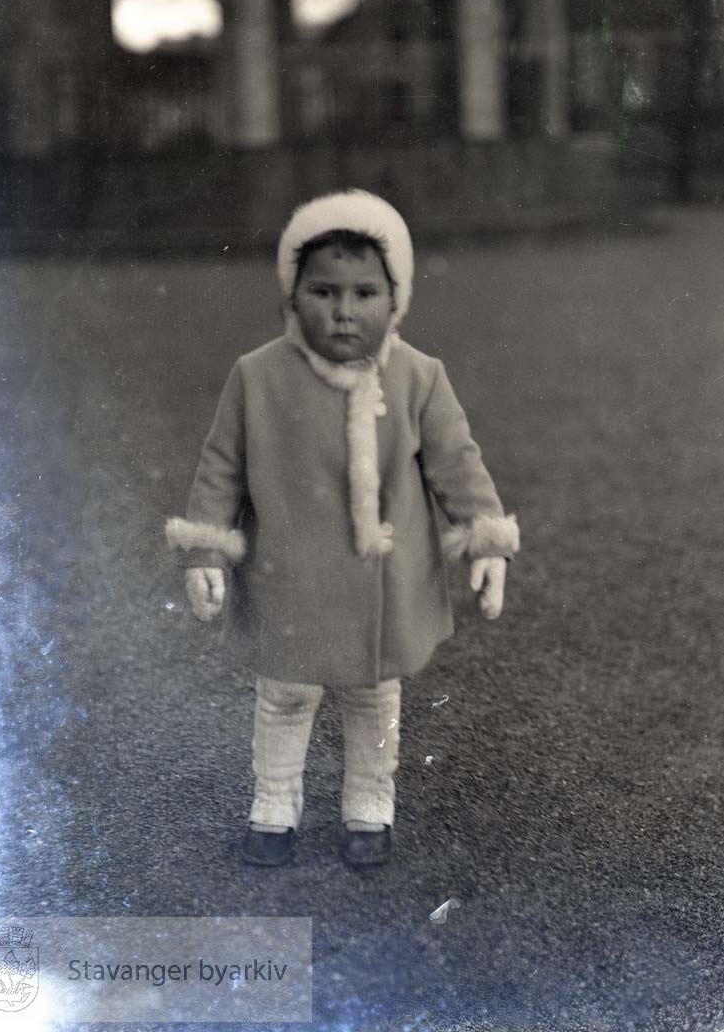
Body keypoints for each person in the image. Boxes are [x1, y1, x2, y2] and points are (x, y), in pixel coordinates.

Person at [166, 190, 519, 869]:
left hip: (382, 581)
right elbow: (221, 468)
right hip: (290, 572)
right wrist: (205, 550)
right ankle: (274, 805)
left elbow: (457, 463)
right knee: (286, 693)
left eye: (365, 293)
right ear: (291, 298)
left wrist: (485, 536)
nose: (345, 310)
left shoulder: (419, 377)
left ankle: (369, 803)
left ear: (398, 300)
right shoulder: (258, 377)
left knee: (372, 692)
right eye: (323, 291)